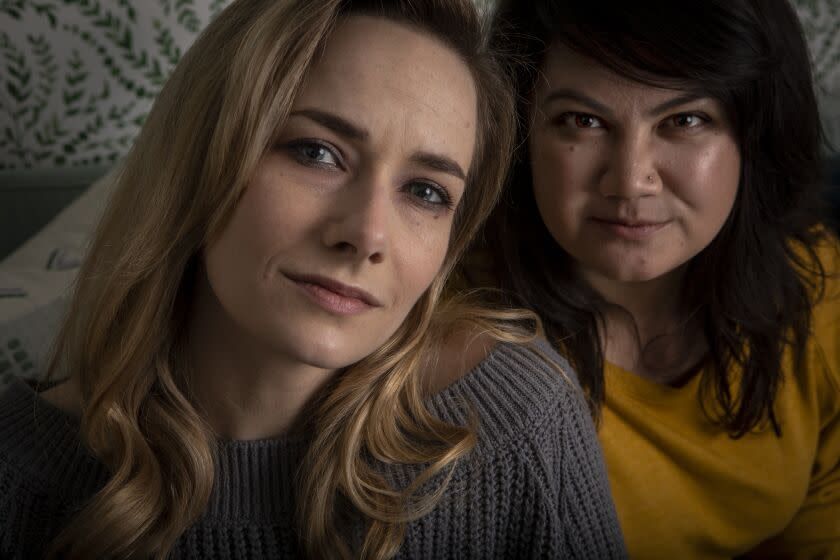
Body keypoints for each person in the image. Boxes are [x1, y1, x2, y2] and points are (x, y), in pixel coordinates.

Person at [0, 0, 627, 558]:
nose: (368, 235)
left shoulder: (516, 419)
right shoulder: (18, 470)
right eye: (317, 152)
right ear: (201, 159)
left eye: (426, 191)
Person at [470, 0, 840, 558]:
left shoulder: (818, 281)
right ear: (521, 134)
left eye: (684, 121)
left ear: (753, 135)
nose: (630, 182)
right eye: (583, 121)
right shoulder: (457, 337)